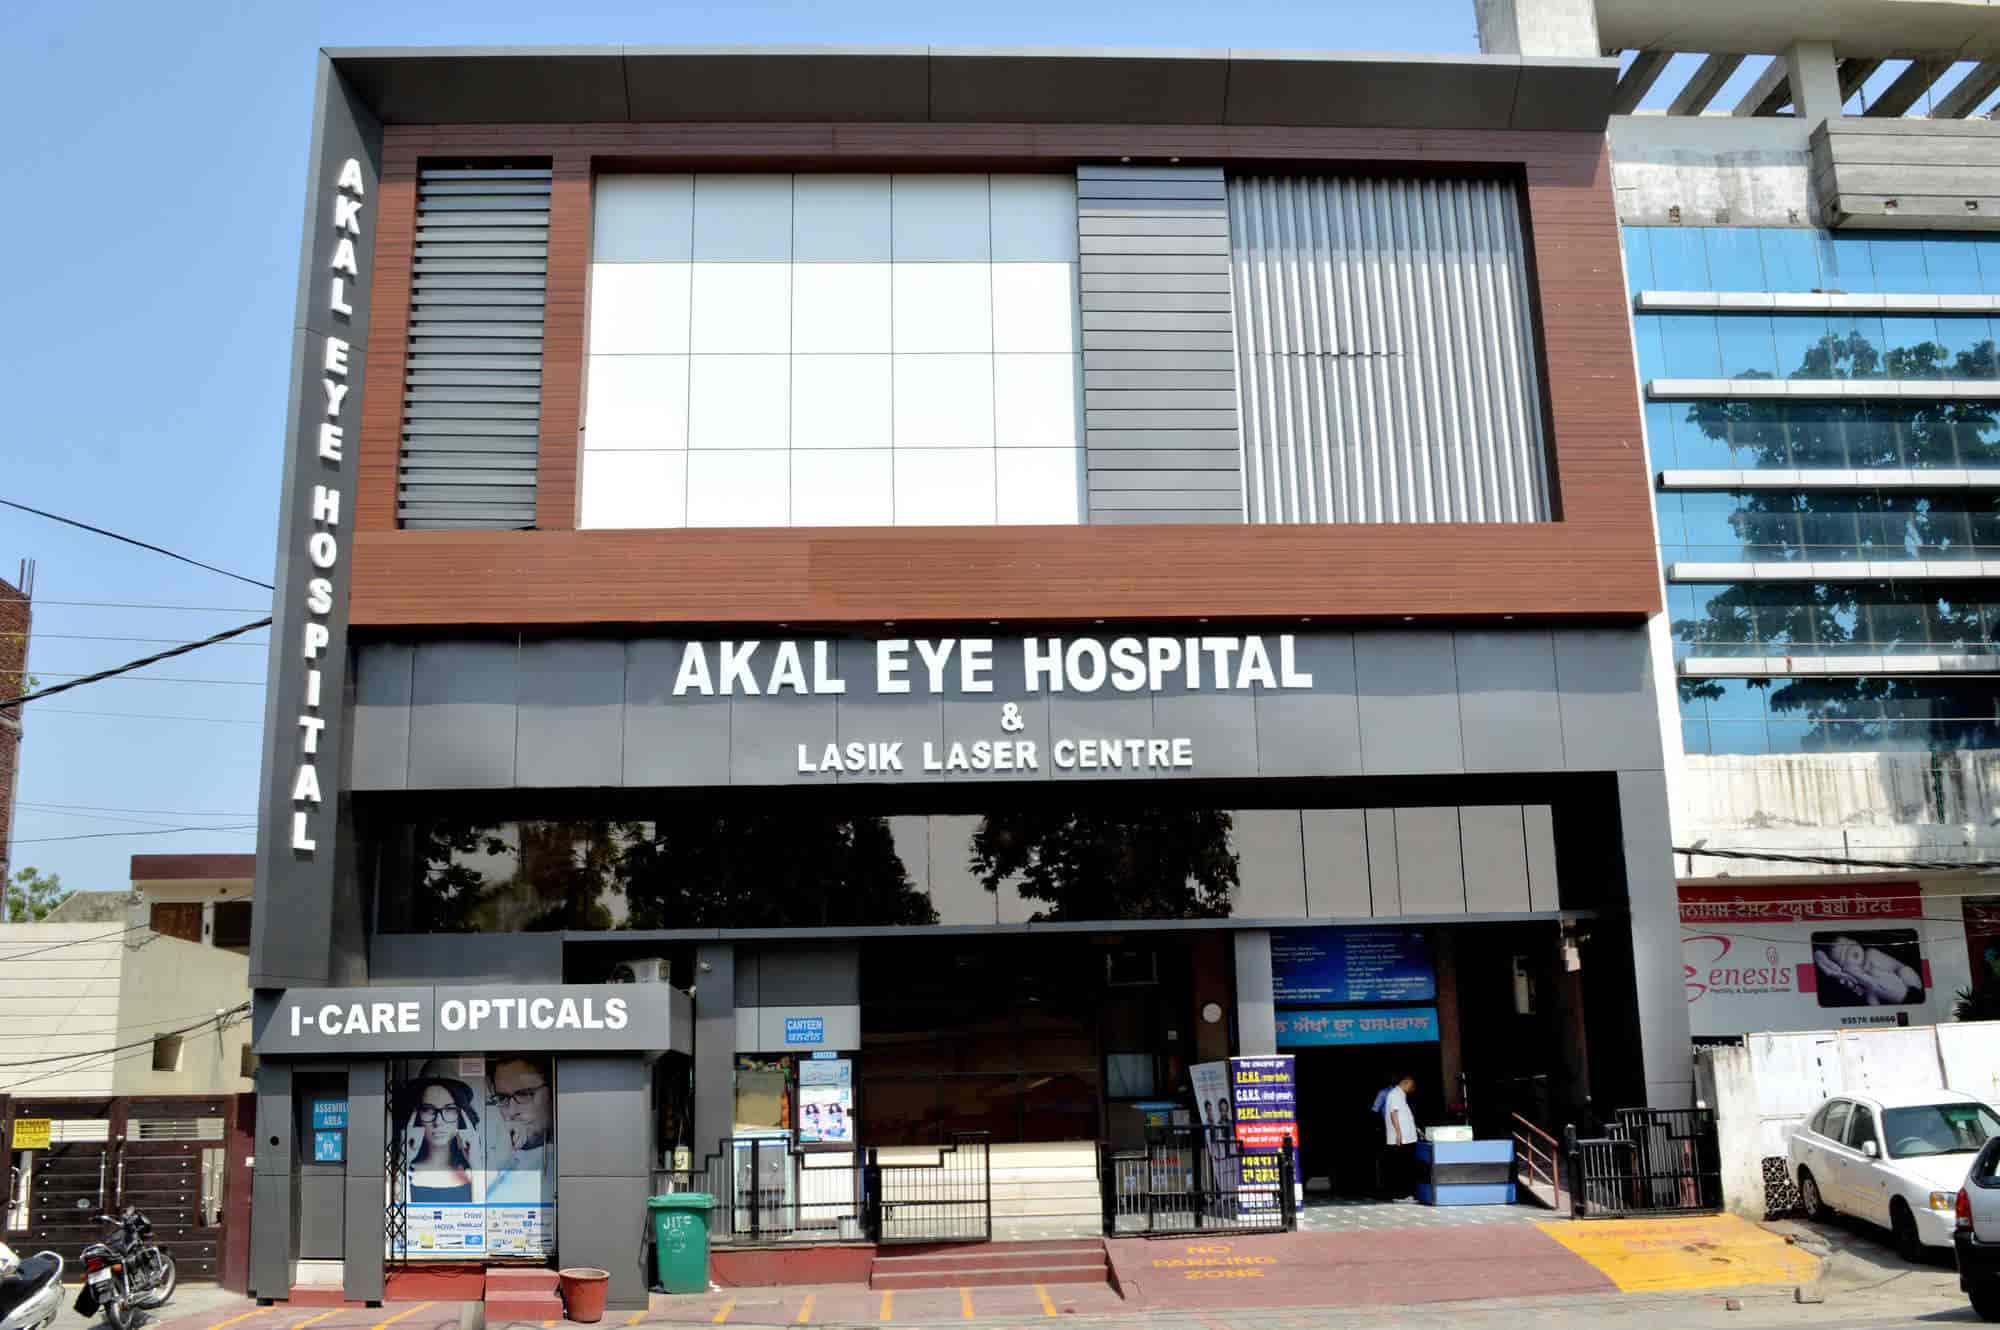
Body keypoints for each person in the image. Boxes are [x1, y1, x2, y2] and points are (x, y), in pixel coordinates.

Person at [399, 1076, 481, 1203]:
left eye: (450, 1109)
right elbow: (396, 1209)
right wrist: (403, 1160)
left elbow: (483, 1211)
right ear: (416, 1116)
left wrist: (475, 1162)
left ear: (462, 1116)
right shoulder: (406, 1169)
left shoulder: (474, 1171)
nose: (438, 1122)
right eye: (428, 1109)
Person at [486, 1056, 553, 1203]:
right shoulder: (499, 1154)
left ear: (552, 1093)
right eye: (502, 1098)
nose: (512, 1111)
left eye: (524, 1094)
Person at [1379, 1073, 1419, 1201]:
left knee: (1404, 1165)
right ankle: (1401, 1194)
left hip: (1405, 1137)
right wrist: (1398, 1133)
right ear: (1405, 1082)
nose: (1412, 1089)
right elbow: (1393, 1114)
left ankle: (1404, 1194)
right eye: (1411, 1086)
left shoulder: (1400, 1095)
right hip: (1402, 1138)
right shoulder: (1395, 1095)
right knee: (1402, 1166)